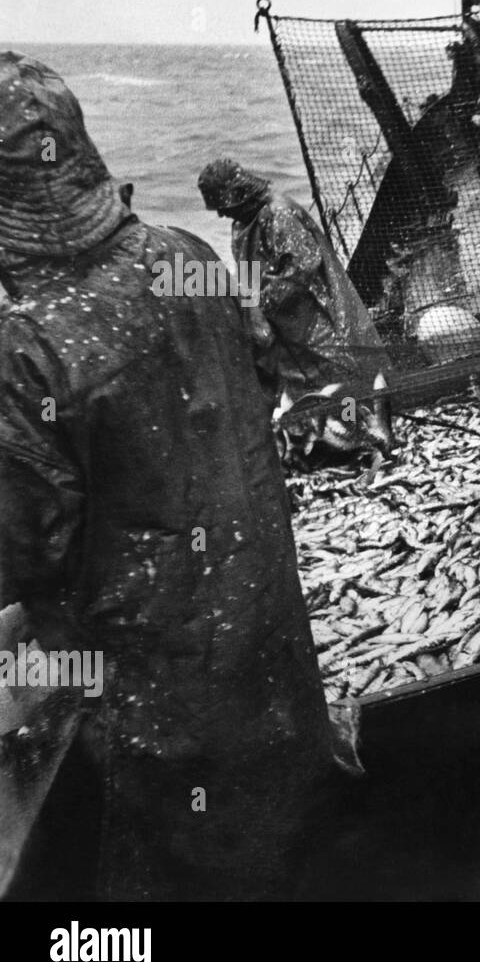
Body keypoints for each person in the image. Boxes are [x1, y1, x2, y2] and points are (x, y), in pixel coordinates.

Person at [0, 52, 336, 900]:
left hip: (155, 723)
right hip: (271, 659)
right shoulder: (189, 255)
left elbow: (29, 556)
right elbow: (252, 386)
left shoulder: (27, 350)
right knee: (281, 849)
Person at [198, 158, 390, 402]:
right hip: (283, 323)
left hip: (314, 315)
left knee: (341, 377)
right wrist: (248, 311)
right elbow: (247, 276)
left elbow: (301, 268)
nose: (220, 214)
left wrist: (260, 305)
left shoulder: (279, 213)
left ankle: (355, 420)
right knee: (304, 386)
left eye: (222, 205)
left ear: (238, 193)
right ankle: (327, 420)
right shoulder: (241, 225)